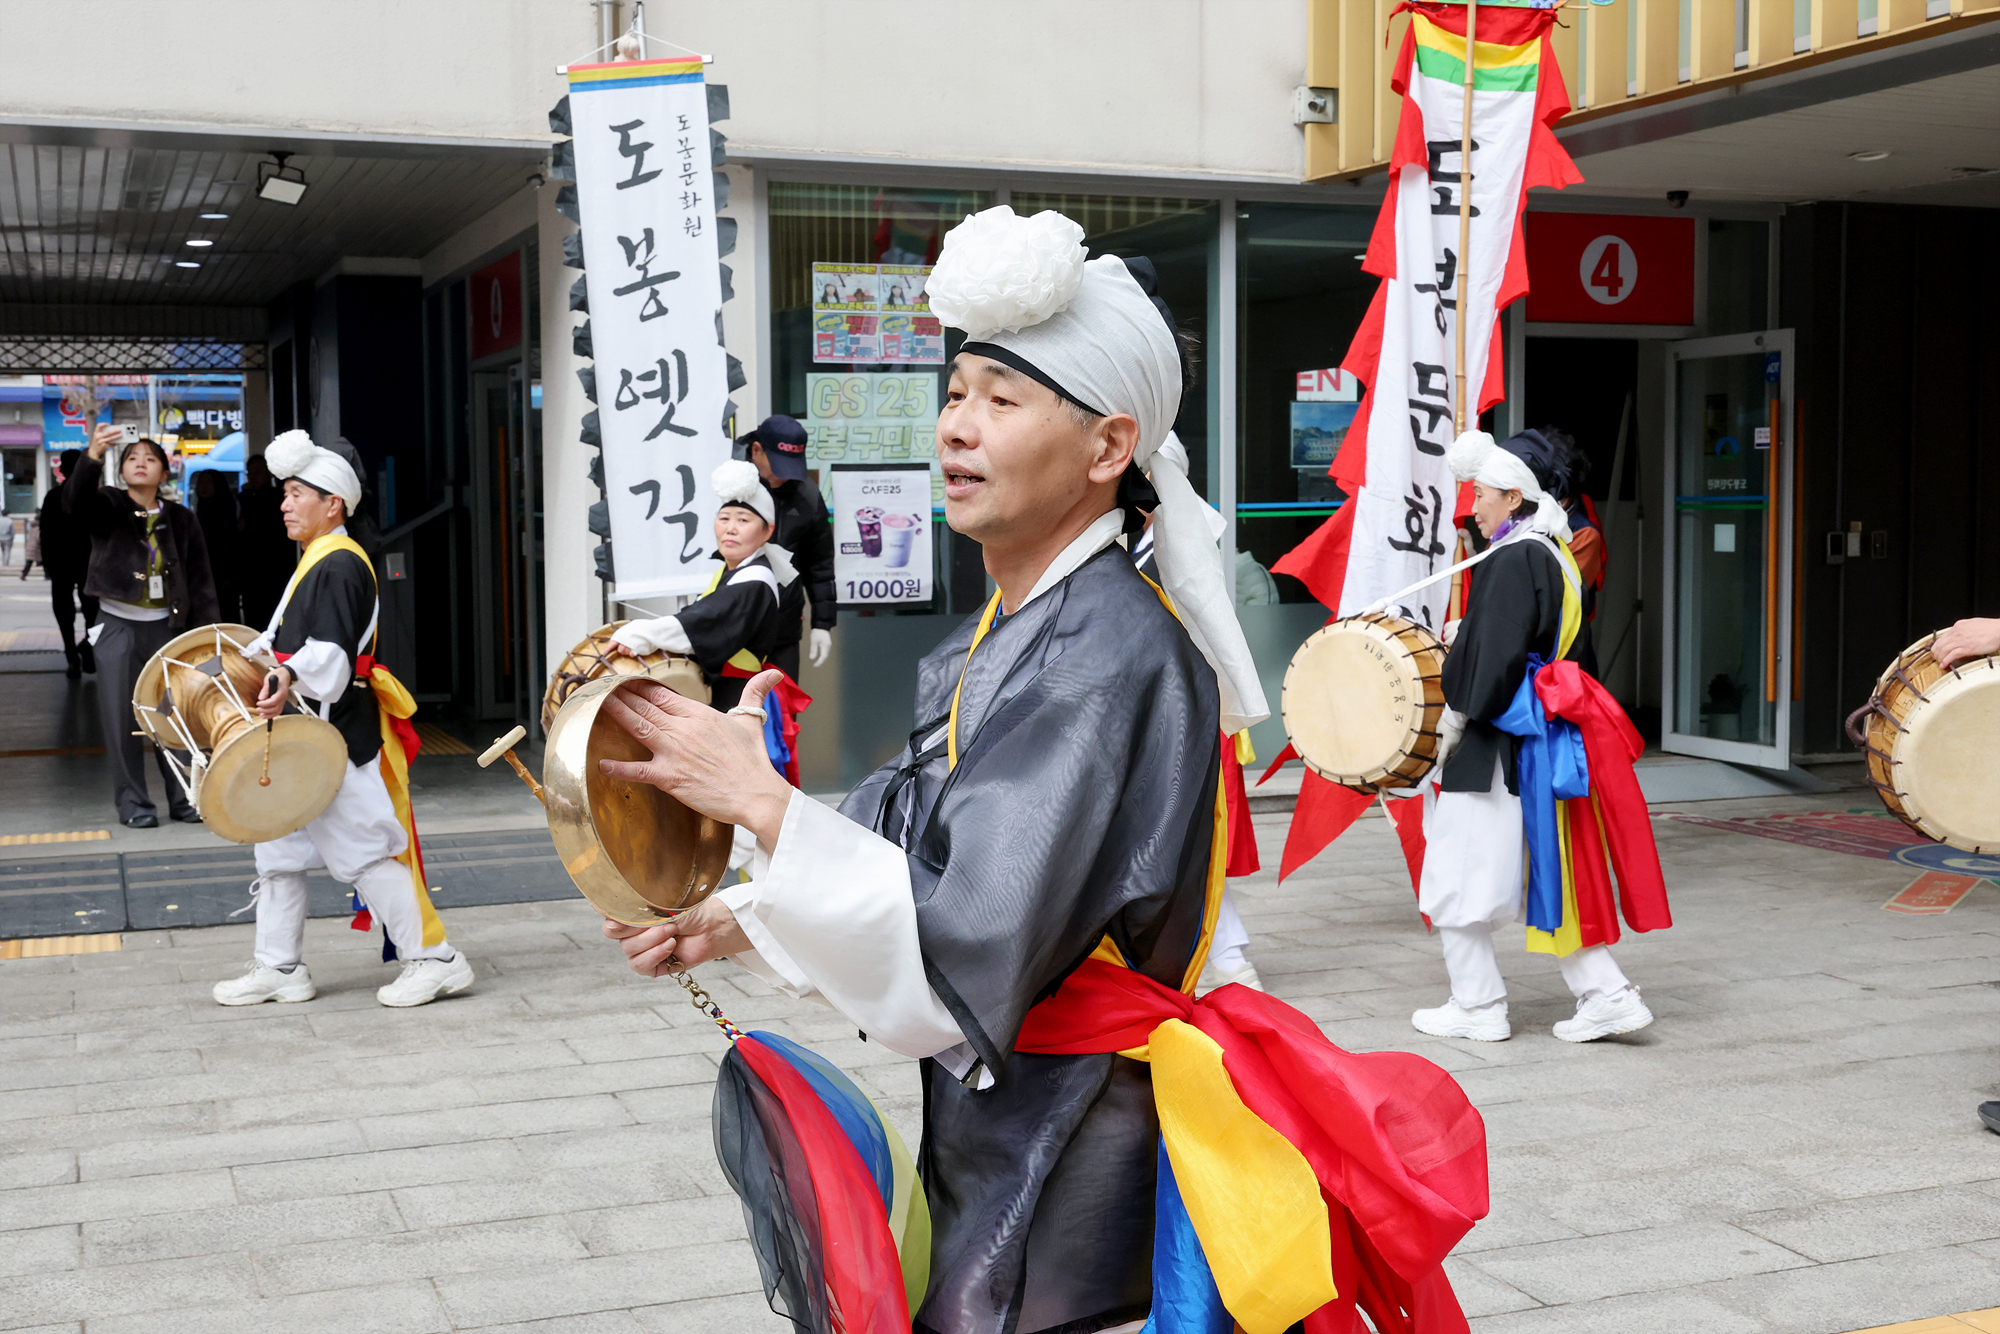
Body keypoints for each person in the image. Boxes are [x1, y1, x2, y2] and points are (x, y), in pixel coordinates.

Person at [594, 209, 1310, 1333]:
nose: (955, 429)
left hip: (1073, 1144)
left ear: (1107, 446)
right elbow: (913, 829)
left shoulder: (1105, 651)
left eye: (1001, 399)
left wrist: (765, 805)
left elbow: (969, 934)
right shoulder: (1017, 626)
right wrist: (743, 912)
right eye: (956, 391)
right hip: (1021, 1116)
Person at [1411, 428, 1670, 1044]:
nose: (1471, 508)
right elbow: (1526, 643)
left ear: (1511, 495)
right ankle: (1606, 994)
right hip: (1540, 737)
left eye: (1479, 495)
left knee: (1455, 872)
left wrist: (1457, 710)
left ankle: (1477, 1004)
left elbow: (1499, 659)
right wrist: (1470, 635)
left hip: (1501, 739)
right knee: (1546, 871)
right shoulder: (1553, 550)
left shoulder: (1511, 557)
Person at [212, 430, 472, 1008]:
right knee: (277, 853)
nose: (284, 503)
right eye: (283, 493)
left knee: (366, 853)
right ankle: (279, 968)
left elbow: (328, 658)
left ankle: (436, 960)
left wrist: (283, 677)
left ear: (333, 503)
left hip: (335, 737)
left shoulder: (338, 564)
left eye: (297, 492)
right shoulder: (321, 558)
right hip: (308, 732)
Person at [608, 463, 812, 785]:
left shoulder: (755, 581)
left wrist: (642, 633)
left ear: (767, 531)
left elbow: (702, 623)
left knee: (738, 789)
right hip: (730, 698)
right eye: (724, 518)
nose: (730, 528)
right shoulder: (733, 572)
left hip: (740, 701)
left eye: (743, 521)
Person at [66, 428, 218, 827]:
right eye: (132, 457)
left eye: (150, 458)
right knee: (121, 721)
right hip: (117, 627)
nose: (140, 462)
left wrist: (208, 646)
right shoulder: (108, 505)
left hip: (169, 631)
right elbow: (74, 505)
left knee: (176, 717)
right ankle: (134, 805)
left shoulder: (182, 519)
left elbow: (201, 584)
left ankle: (186, 798)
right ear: (121, 470)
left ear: (164, 474)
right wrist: (94, 454)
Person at [741, 414, 836, 675]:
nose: (784, 476)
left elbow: (819, 563)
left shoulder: (806, 494)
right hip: (733, 626)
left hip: (783, 628)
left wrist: (822, 623)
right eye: (778, 466)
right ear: (756, 450)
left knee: (783, 712)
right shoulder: (732, 487)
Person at [38, 450, 97, 677]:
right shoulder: (93, 497)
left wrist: (48, 565)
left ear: (61, 471)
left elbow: (46, 534)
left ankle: (72, 657)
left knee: (64, 614)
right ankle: (88, 648)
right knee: (95, 613)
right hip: (88, 565)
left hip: (61, 564)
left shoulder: (53, 497)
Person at [238, 452, 294, 630]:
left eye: (259, 472)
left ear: (269, 474)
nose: (254, 477)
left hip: (275, 567)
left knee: (274, 616)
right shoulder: (244, 499)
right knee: (252, 619)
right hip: (250, 568)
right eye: (250, 473)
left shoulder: (279, 498)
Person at [191, 470, 241, 624]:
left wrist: (229, 574)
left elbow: (233, 544)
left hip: (224, 576)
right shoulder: (199, 512)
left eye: (209, 482)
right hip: (203, 574)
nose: (203, 487)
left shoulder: (229, 510)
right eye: (201, 482)